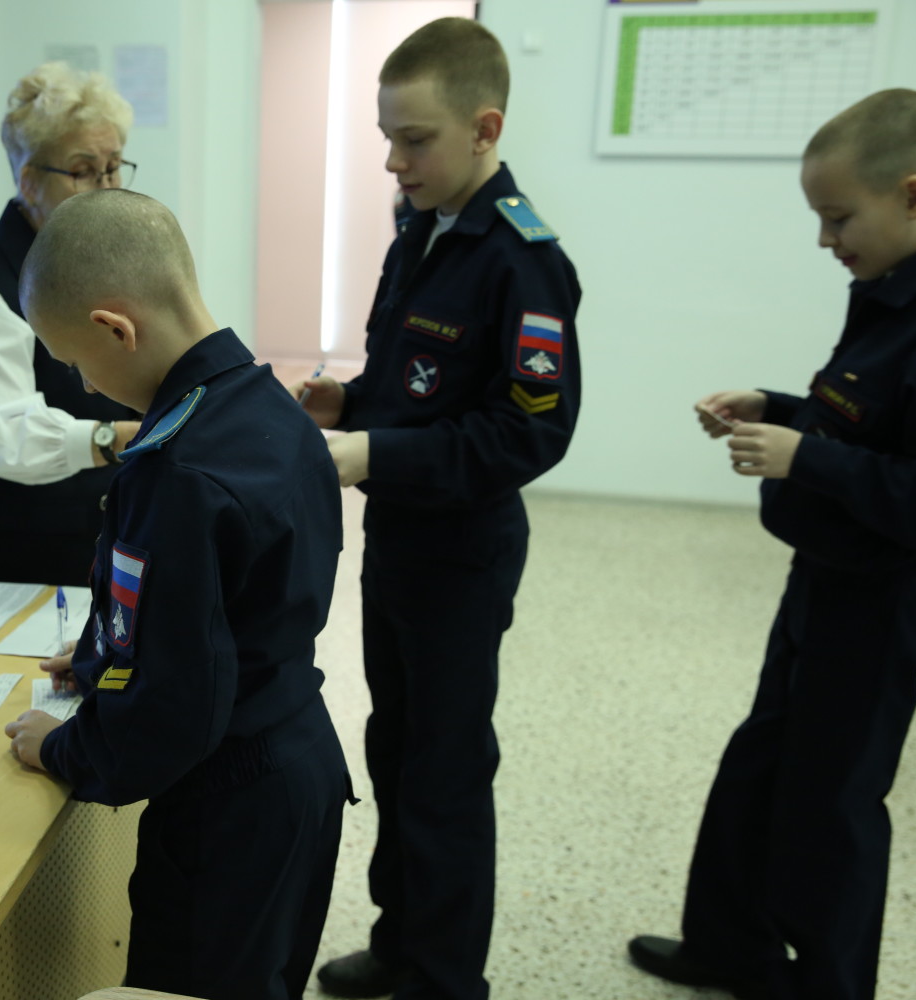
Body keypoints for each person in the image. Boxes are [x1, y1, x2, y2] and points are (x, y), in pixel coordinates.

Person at [629, 89, 916, 1000]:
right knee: (761, 762)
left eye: (839, 218)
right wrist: (780, 409)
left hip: (884, 597)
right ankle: (730, 946)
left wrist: (805, 458)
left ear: (915, 195)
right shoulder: (892, 286)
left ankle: (831, 985)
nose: (824, 239)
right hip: (828, 575)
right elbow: (869, 419)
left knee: (833, 802)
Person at [1, 189, 351, 1000]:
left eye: (76, 361)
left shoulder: (177, 472)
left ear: (115, 329)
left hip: (226, 808)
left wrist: (60, 749)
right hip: (299, 766)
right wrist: (104, 656)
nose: (87, 385)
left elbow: (171, 711)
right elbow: (234, 611)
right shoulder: (268, 405)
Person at [295, 18, 582, 1000]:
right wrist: (350, 403)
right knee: (396, 745)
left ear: (483, 128)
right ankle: (402, 939)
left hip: (463, 552)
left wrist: (371, 450)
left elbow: (527, 433)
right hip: (400, 540)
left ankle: (446, 977)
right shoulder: (423, 226)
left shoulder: (523, 260)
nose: (393, 161)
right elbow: (413, 379)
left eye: (413, 140)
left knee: (447, 767)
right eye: (387, 137)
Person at [0, 62, 142, 585]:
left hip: (102, 540)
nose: (106, 187)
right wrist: (117, 438)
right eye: (84, 170)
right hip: (15, 562)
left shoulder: (103, 257)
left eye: (114, 167)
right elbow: (6, 435)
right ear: (30, 181)